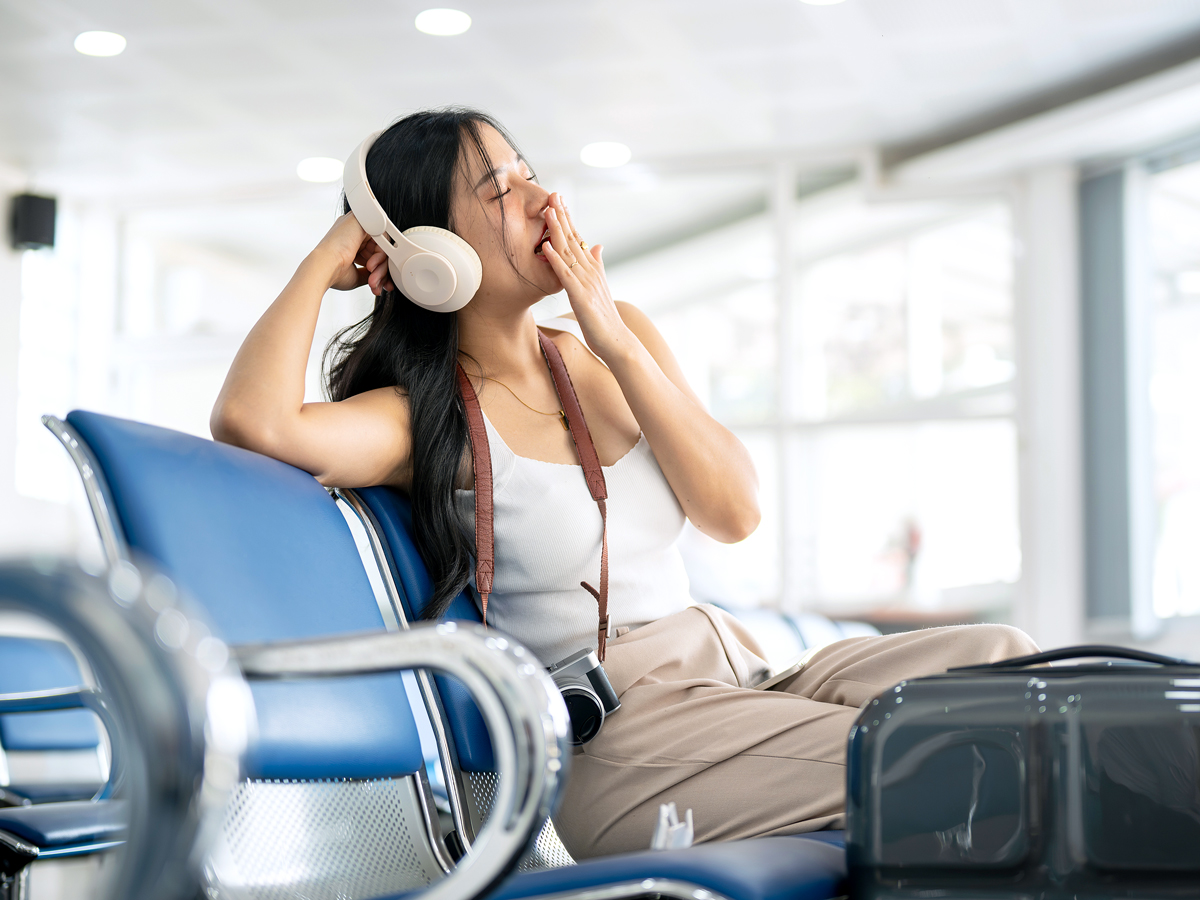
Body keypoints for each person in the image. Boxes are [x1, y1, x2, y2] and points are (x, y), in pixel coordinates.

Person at [211, 107, 1039, 859]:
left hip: (732, 674)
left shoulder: (613, 343)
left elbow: (734, 510)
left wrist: (611, 335)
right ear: (433, 255)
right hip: (622, 738)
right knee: (952, 749)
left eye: (529, 173)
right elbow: (254, 422)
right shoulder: (427, 418)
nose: (543, 199)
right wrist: (331, 253)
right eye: (500, 191)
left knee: (1003, 664)